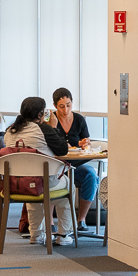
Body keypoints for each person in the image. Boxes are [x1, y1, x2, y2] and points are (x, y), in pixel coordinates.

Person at [3, 96, 72, 245]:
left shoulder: (10, 131)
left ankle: (36, 235)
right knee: (68, 185)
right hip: (43, 182)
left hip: (17, 184)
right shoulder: (43, 129)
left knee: (33, 187)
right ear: (40, 114)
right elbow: (63, 149)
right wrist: (53, 127)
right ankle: (64, 235)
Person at [47, 88, 98, 233]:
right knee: (49, 178)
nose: (65, 110)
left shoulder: (79, 119)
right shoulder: (51, 121)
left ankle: (81, 220)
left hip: (76, 164)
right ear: (55, 105)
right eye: (61, 106)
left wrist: (84, 144)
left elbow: (86, 141)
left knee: (91, 175)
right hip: (57, 165)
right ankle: (50, 222)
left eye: (68, 105)